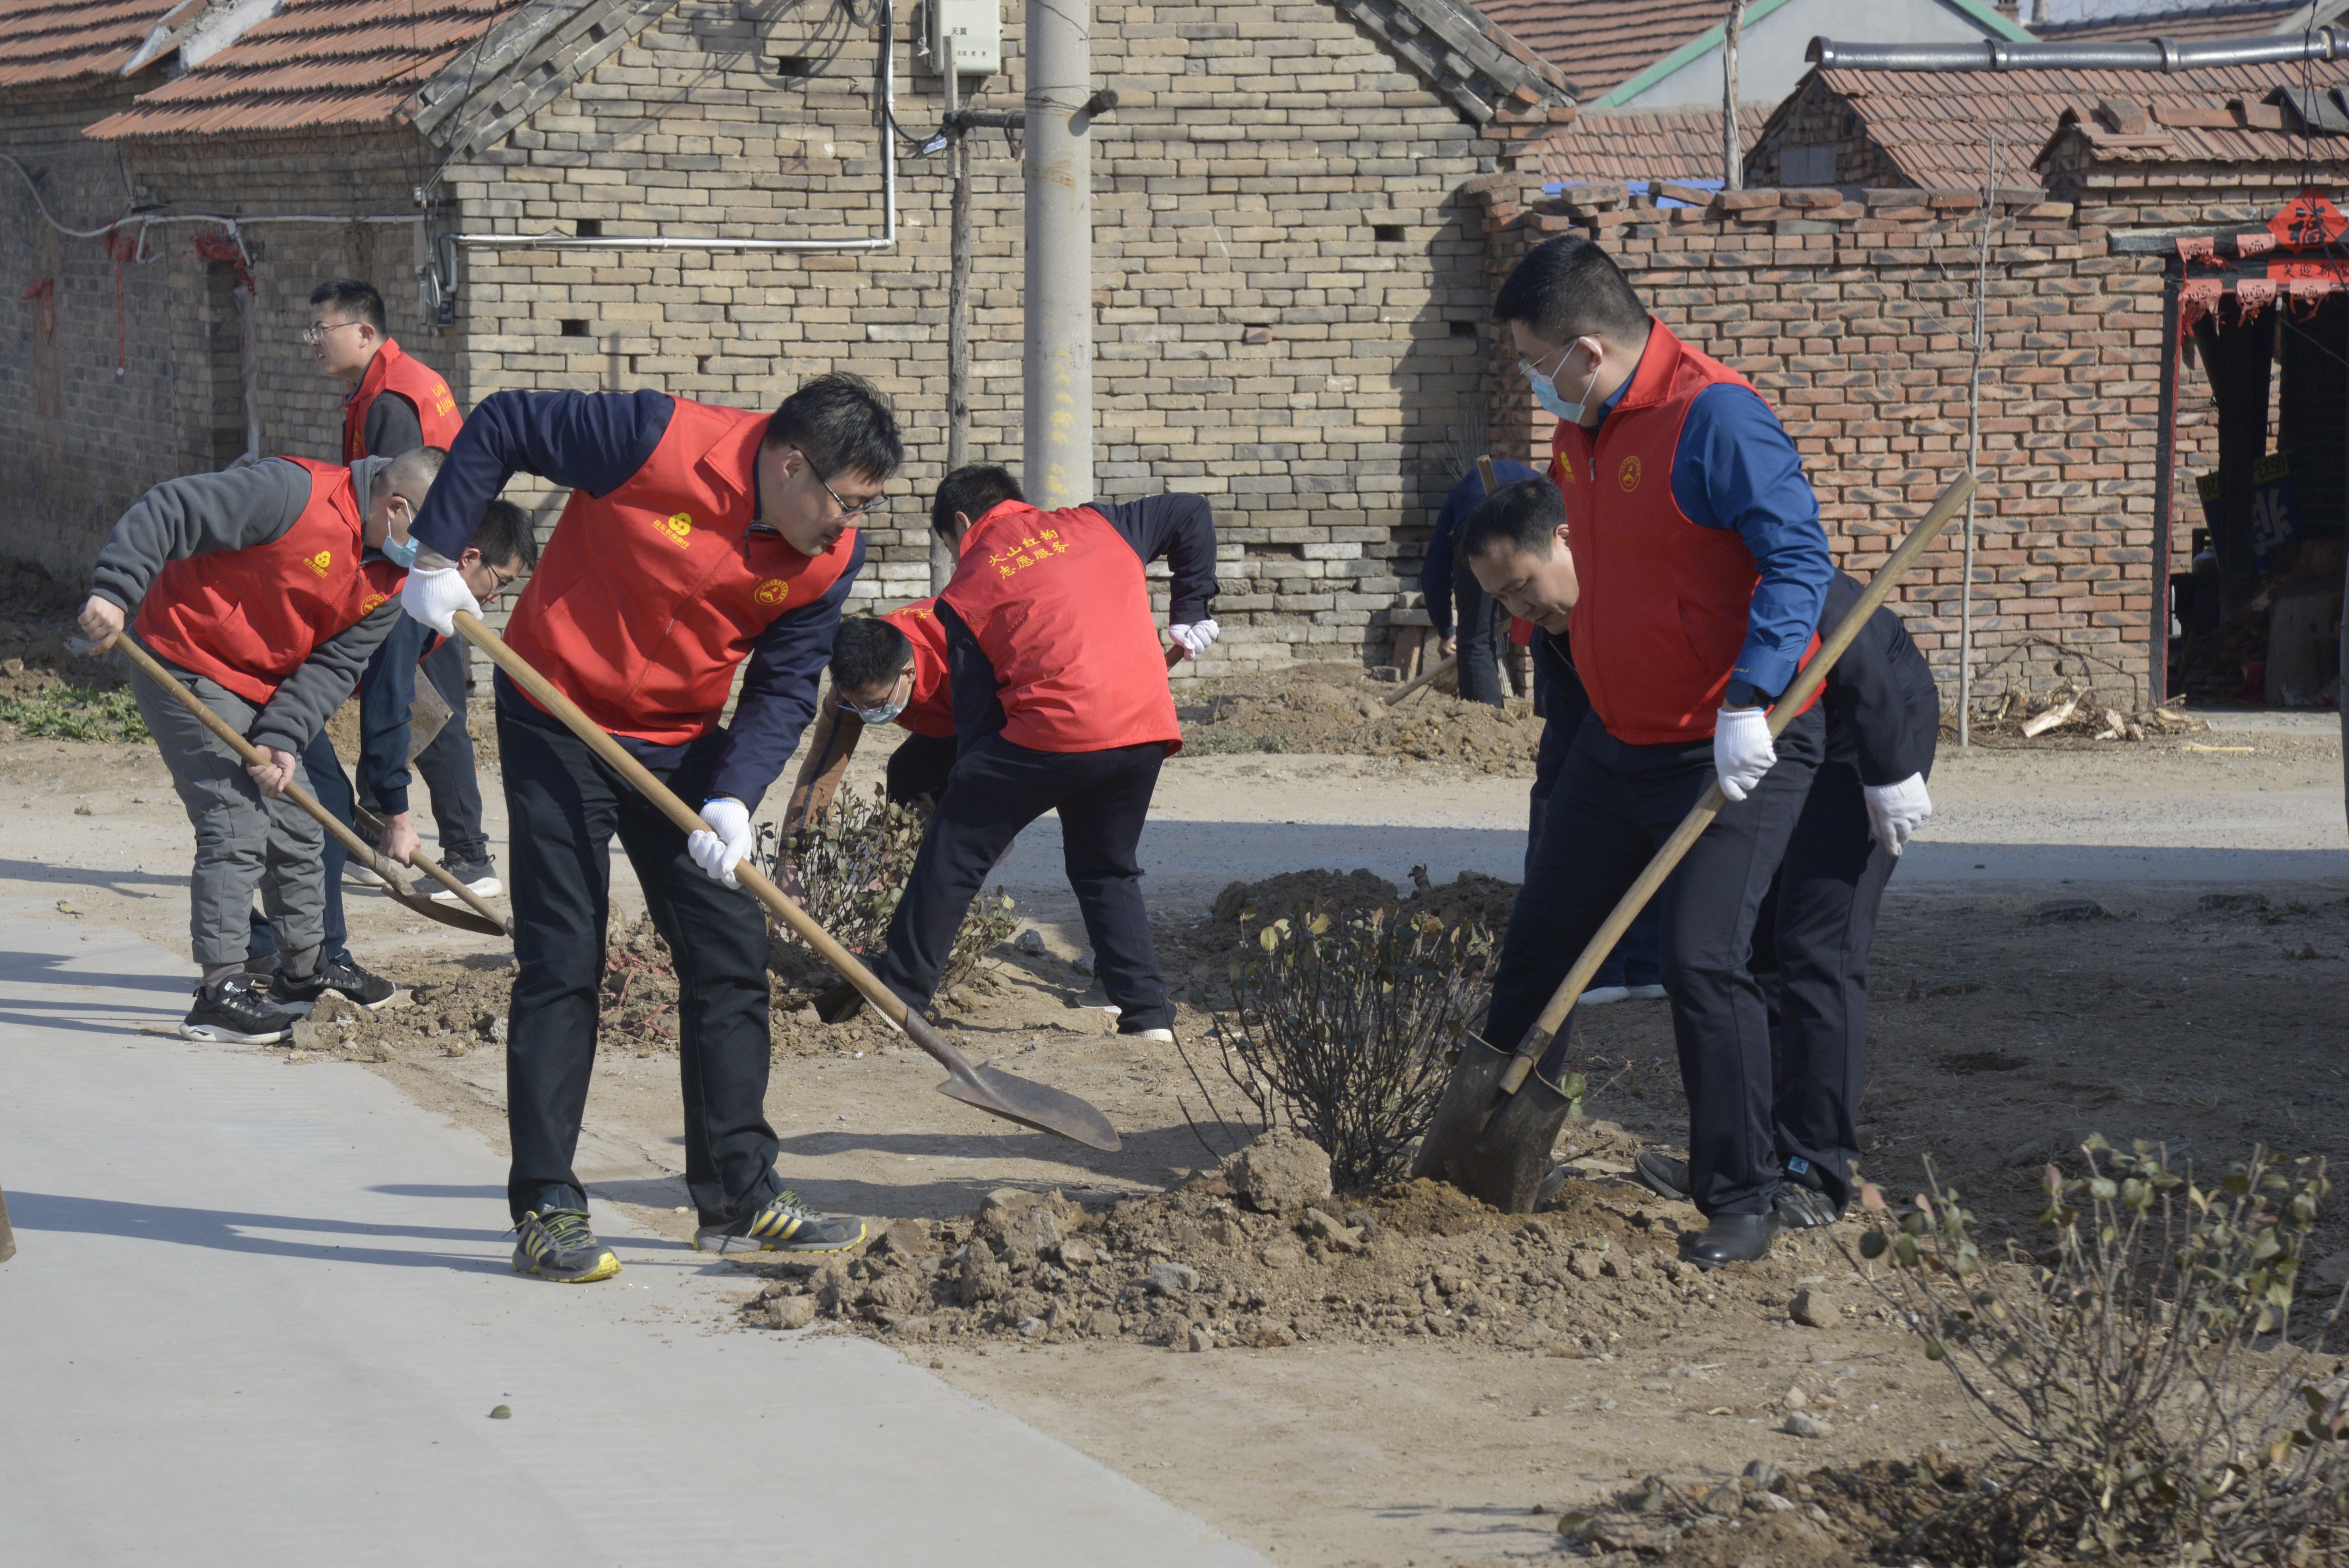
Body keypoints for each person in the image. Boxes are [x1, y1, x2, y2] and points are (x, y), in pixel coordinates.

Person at [400, 375, 902, 1283]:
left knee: (729, 949)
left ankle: (739, 1198)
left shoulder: (827, 558)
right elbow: (505, 421)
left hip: (679, 743)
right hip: (555, 710)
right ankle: (549, 1204)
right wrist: (436, 553)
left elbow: (787, 682)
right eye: (845, 501)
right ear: (791, 465)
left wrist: (735, 795)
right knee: (564, 956)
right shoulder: (653, 438)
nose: (848, 526)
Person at [1461, 231, 1833, 1269]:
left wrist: (1753, 697)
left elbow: (1799, 557)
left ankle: (1745, 1192)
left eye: (1537, 361)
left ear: (1586, 348)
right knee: (1541, 937)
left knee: (1704, 959)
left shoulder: (1716, 417)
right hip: (1618, 744)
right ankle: (1493, 1146)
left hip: (1731, 746)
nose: (1535, 384)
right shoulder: (1584, 432)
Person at [77, 447, 447, 1043]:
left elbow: (334, 666)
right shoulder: (292, 494)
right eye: (433, 533)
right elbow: (172, 508)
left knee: (301, 820)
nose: (436, 554)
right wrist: (115, 591)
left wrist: (282, 737)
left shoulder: (397, 577)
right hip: (186, 659)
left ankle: (302, 972)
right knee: (235, 821)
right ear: (396, 507)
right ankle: (219, 992)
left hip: (262, 684)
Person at [1631, 569, 1937, 1227]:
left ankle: (1814, 1167)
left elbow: (1854, 643)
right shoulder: (1625, 567)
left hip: (1864, 727)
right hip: (1781, 733)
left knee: (1815, 946)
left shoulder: (1754, 540)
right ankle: (1750, 1156)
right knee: (1753, 941)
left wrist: (1887, 769)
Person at [871, 465, 1218, 1041]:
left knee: (953, 848)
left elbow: (978, 712)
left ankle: (900, 994)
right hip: (1145, 726)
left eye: (951, 544)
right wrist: (1192, 607)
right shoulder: (1099, 523)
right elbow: (1191, 513)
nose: (957, 556)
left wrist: (982, 807)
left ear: (962, 522)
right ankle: (1147, 1016)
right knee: (1106, 867)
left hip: (1056, 729)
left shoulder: (964, 590)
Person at [307, 276, 496, 901]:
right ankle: (391, 831)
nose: (314, 342)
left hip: (421, 571)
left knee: (421, 702)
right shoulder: (402, 381)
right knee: (419, 699)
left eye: (323, 329)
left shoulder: (390, 401)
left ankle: (468, 855)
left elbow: (396, 509)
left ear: (365, 332)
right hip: (433, 565)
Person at [781, 599, 960, 832]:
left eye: (876, 705)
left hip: (996, 713)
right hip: (944, 721)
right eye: (857, 706)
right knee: (907, 771)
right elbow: (822, 767)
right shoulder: (856, 683)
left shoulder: (958, 663)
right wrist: (792, 852)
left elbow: (986, 751)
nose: (865, 714)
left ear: (909, 674)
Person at [1422, 459, 1536, 707]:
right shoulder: (1539, 481)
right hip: (1530, 529)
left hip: (1487, 528)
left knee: (1474, 639)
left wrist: (1447, 633)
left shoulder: (1460, 494)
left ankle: (1485, 718)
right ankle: (1548, 720)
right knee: (1548, 630)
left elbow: (1433, 575)